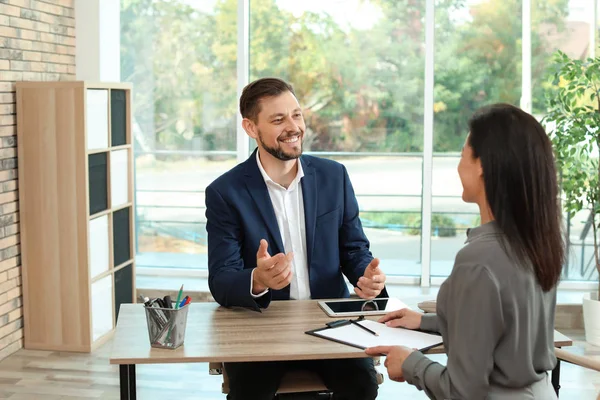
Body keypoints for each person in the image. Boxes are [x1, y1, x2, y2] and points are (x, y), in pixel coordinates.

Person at [205, 77, 388, 400]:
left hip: (330, 325)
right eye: (278, 120)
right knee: (249, 394)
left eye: (297, 115)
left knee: (362, 387)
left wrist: (367, 277)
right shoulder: (225, 193)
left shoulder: (334, 176)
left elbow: (354, 250)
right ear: (251, 128)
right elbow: (221, 280)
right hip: (263, 328)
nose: (293, 127)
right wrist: (258, 280)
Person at [366, 103, 565, 399]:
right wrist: (427, 322)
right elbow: (503, 326)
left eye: (462, 155)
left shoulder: (479, 259)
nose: (458, 166)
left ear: (482, 164)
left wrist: (411, 364)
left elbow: (462, 392)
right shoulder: (537, 241)